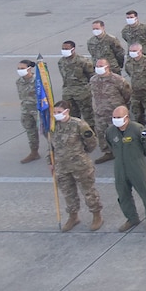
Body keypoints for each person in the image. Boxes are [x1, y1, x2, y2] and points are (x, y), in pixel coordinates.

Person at [50, 99, 103, 231]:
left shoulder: (79, 124)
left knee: (88, 192)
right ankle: (73, 216)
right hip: (62, 167)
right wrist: (51, 162)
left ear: (67, 111)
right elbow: (51, 147)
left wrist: (81, 153)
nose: (56, 114)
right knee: (68, 193)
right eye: (55, 112)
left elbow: (92, 142)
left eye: (59, 112)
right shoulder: (52, 126)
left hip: (80, 165)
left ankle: (97, 216)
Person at [105, 105, 146, 232]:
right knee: (123, 195)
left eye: (119, 117)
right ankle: (132, 218)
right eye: (114, 117)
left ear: (127, 117)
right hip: (119, 166)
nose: (116, 120)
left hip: (136, 165)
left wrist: (137, 157)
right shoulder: (110, 131)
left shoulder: (138, 129)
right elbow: (110, 145)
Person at [15, 60, 40, 163]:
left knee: (47, 133)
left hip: (38, 110)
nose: (20, 71)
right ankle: (34, 152)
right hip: (26, 110)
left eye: (22, 68)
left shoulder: (38, 81)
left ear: (29, 69)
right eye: (18, 68)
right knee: (31, 132)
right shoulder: (19, 82)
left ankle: (54, 153)